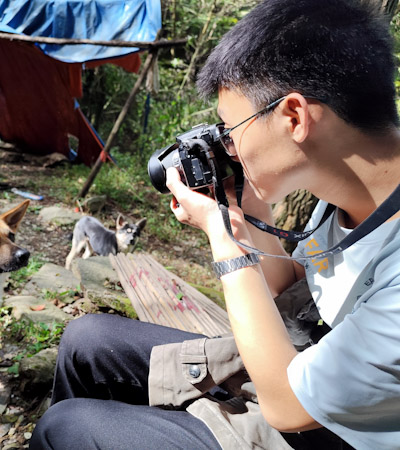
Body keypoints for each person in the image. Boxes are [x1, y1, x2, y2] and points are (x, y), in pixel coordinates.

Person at [30, 0, 400, 448]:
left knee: (65, 426)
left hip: (321, 425)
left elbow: (287, 406)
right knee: (86, 339)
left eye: (230, 128)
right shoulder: (345, 193)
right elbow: (289, 283)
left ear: (295, 117)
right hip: (301, 363)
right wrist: (248, 214)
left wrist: (224, 240)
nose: (227, 145)